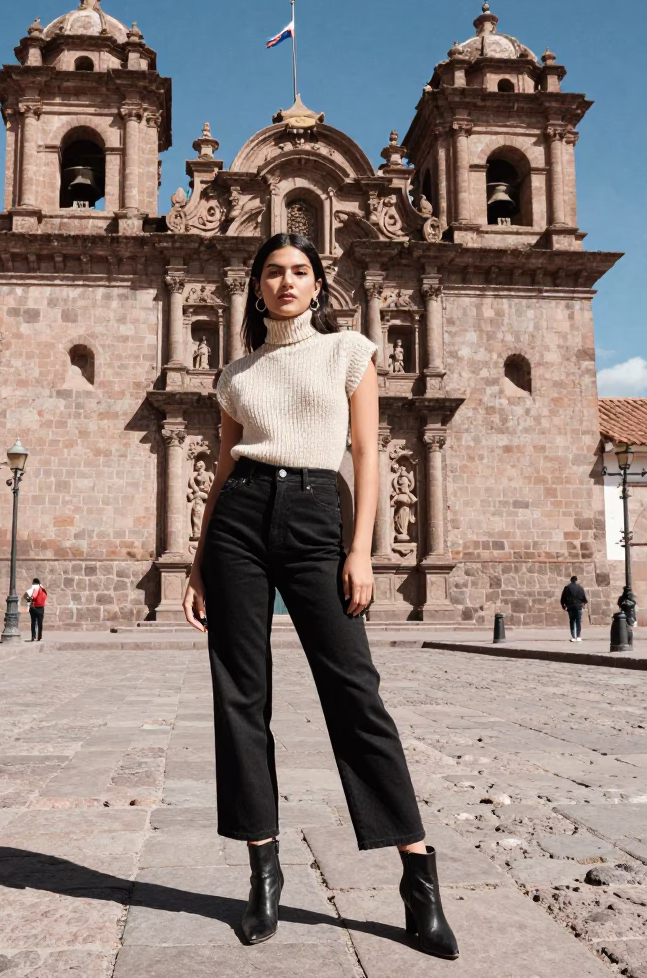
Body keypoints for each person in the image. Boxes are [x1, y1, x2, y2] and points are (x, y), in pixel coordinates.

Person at [181, 233, 458, 960]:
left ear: (317, 284)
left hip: (314, 516)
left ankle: (418, 875)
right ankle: (263, 873)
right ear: (255, 286)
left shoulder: (351, 352)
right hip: (238, 519)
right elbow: (219, 471)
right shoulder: (236, 374)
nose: (285, 283)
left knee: (354, 692)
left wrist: (362, 550)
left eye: (299, 272)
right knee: (240, 696)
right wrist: (197, 562)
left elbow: (367, 453)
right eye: (273, 272)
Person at [559, 575, 588, 642]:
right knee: (578, 621)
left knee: (572, 621)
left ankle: (573, 637)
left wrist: (563, 605)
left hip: (570, 606)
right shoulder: (580, 588)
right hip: (578, 606)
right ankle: (578, 636)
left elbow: (563, 598)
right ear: (576, 580)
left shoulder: (567, 587)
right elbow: (584, 598)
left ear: (571, 580)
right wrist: (583, 604)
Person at [24, 577, 47, 641]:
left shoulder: (34, 589)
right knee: (40, 623)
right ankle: (39, 636)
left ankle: (33, 636)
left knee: (33, 622)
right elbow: (45, 597)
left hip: (33, 608)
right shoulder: (43, 590)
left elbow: (32, 596)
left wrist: (28, 599)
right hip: (41, 608)